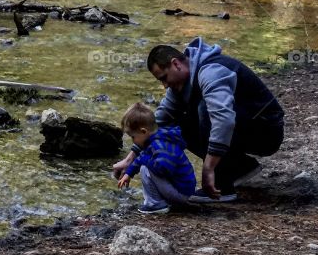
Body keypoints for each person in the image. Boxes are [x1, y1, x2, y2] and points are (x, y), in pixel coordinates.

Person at [113, 37, 284, 202]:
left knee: (205, 109)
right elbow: (159, 122)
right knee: (176, 123)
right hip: (246, 125)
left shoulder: (211, 71)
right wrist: (130, 159)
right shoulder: (180, 85)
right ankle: (241, 168)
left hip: (267, 131)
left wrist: (208, 168)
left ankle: (223, 187)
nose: (164, 85)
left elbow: (223, 119)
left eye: (164, 78)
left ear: (175, 64)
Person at [117, 101, 196, 215]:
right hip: (180, 191)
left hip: (181, 194)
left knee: (145, 168)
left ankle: (155, 204)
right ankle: (161, 202)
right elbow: (141, 157)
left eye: (133, 137)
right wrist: (128, 173)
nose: (133, 141)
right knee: (145, 163)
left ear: (143, 131)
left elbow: (163, 168)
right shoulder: (155, 140)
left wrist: (145, 161)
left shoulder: (160, 145)